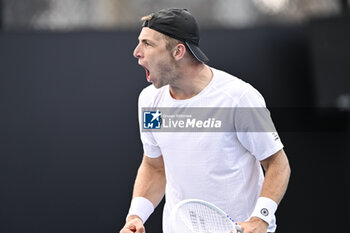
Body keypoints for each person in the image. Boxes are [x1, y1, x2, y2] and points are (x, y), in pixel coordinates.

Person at [120, 8, 291, 233]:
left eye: (148, 44)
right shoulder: (149, 100)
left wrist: (260, 219)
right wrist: (136, 216)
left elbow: (278, 164)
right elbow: (155, 166)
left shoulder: (239, 98)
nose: (136, 52)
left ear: (178, 51)